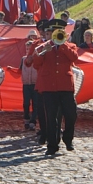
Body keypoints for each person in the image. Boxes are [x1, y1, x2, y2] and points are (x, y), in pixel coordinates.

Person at [32, 19, 80, 155]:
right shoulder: (43, 47)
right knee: (51, 117)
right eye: (53, 31)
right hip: (49, 87)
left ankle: (68, 138)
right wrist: (44, 52)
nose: (56, 34)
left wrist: (62, 44)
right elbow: (36, 64)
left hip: (65, 86)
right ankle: (52, 145)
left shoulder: (70, 45)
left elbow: (74, 58)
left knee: (71, 115)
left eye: (59, 32)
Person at [21, 40, 39, 131]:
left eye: (29, 49)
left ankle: (33, 121)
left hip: (35, 83)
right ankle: (26, 119)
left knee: (35, 103)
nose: (28, 50)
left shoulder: (37, 58)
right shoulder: (23, 59)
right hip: (26, 84)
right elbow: (20, 70)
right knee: (26, 103)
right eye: (27, 49)